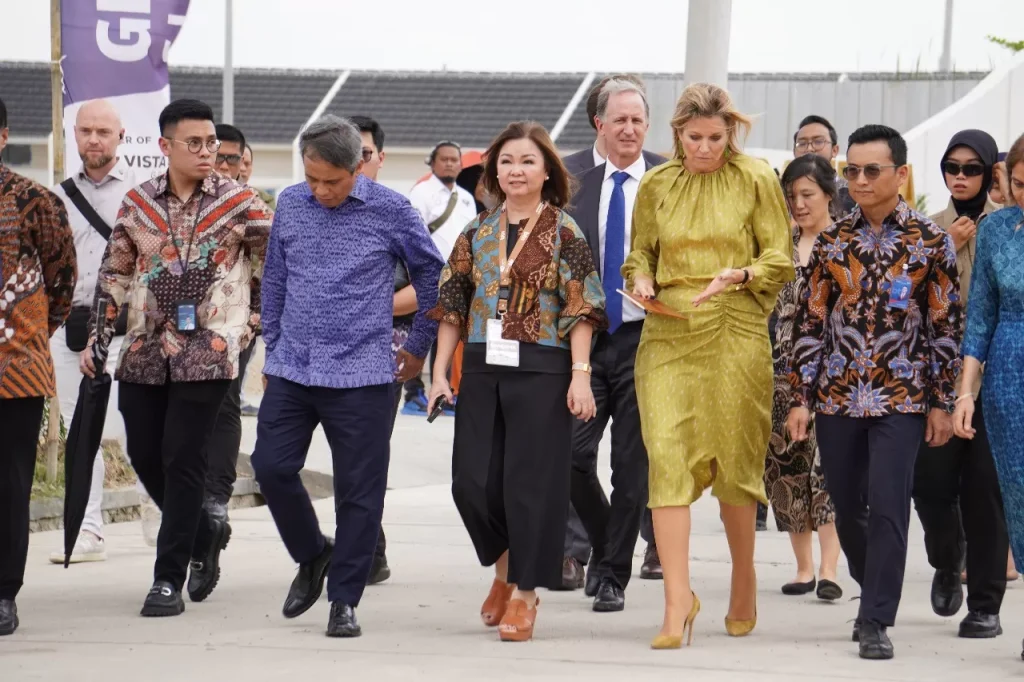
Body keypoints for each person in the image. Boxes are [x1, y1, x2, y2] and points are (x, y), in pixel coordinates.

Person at [250, 115, 442, 638]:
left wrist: (420, 348)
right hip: (294, 367)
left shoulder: (392, 210)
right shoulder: (290, 203)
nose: (320, 190)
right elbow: (277, 279)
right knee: (270, 467)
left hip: (364, 372)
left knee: (360, 491)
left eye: (331, 181)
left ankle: (344, 599)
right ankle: (313, 554)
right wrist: (273, 345)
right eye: (312, 178)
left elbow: (431, 273)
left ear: (358, 166)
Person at [81, 99, 271, 617]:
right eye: (195, 143)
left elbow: (274, 263)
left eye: (212, 143)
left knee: (184, 456)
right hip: (145, 348)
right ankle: (204, 527)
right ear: (165, 147)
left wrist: (252, 324)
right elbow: (115, 273)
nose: (207, 151)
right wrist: (98, 341)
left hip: (210, 349)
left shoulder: (241, 202)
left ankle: (168, 580)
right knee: (144, 452)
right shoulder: (138, 203)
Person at [623, 82, 794, 649]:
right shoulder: (657, 183)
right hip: (667, 329)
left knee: (735, 461)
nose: (703, 147)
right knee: (665, 460)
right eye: (694, 137)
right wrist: (641, 278)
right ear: (677, 134)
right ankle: (677, 602)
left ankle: (743, 578)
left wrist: (738, 274)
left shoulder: (756, 178)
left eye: (715, 138)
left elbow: (780, 256)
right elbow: (640, 252)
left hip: (734, 328)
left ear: (731, 132)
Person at [426, 121, 606, 642]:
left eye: (527, 161)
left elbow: (582, 310)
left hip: (543, 368)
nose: (516, 170)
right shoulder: (476, 232)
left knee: (531, 485)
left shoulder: (563, 230)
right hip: (482, 366)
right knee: (472, 482)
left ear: (546, 169)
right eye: (506, 162)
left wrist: (579, 377)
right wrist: (439, 373)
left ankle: (526, 593)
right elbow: (451, 307)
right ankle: (504, 569)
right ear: (493, 171)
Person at [787, 124, 962, 660]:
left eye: (871, 171)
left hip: (903, 397)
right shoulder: (835, 240)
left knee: (889, 505)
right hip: (838, 394)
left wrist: (940, 401)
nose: (859, 181)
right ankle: (873, 585)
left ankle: (876, 618)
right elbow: (810, 321)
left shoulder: (931, 242)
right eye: (851, 171)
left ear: (900, 175)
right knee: (846, 503)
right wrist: (801, 395)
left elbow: (946, 326)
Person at [565, 78, 661, 613]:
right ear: (599, 124)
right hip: (584, 339)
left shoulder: (669, 179)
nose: (628, 129)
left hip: (647, 340)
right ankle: (605, 545)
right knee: (570, 457)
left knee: (632, 467)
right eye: (618, 119)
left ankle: (613, 575)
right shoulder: (573, 179)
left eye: (637, 120)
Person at [914, 129, 1008, 638]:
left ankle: (985, 603)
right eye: (953, 166)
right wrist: (941, 252)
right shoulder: (928, 230)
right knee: (928, 485)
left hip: (998, 378)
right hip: (940, 380)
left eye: (973, 168)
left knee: (984, 490)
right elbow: (903, 301)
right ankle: (948, 561)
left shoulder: (1011, 228)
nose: (961, 176)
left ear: (992, 172)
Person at [48, 99, 139, 564]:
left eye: (103, 131)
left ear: (121, 136)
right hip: (70, 326)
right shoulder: (57, 195)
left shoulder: (142, 192)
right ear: (75, 134)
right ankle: (88, 531)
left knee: (134, 428)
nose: (94, 139)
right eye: (86, 131)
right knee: (78, 432)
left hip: (127, 328)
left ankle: (158, 512)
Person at [0, 96, 77, 636]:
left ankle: (4, 592)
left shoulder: (35, 202)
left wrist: (27, 338)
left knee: (8, 487)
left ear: (3, 136)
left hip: (15, 372)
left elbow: (62, 281)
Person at [953, 132, 1024, 660]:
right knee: (1017, 504)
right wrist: (965, 394)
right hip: (1006, 382)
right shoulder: (997, 229)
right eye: (1019, 184)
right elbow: (980, 320)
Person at [766, 154, 841, 601]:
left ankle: (830, 567)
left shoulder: (846, 242)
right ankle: (803, 566)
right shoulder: (778, 246)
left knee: (827, 467)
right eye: (791, 196)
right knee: (786, 465)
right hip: (778, 370)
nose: (798, 203)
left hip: (833, 372)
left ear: (829, 194)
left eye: (807, 194)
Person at [350, 113, 410, 586]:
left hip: (382, 352)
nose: (355, 163)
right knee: (343, 455)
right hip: (321, 356)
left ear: (381, 159)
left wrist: (373, 309)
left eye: (364, 155)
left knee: (368, 452)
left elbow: (430, 285)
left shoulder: (397, 211)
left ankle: (366, 550)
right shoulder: (310, 206)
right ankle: (365, 544)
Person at [202, 122, 264, 523]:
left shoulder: (252, 206)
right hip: (180, 328)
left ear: (243, 162)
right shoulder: (183, 202)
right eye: (215, 154)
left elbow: (274, 265)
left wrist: (258, 315)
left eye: (230, 157)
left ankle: (215, 501)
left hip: (236, 326)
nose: (222, 164)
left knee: (224, 405)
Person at [403, 140, 478, 415]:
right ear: (432, 163)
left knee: (447, 334)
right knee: (419, 332)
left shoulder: (467, 198)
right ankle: (413, 394)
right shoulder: (420, 193)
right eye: (443, 159)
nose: (449, 163)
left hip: (457, 279)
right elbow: (412, 236)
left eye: (453, 160)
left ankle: (444, 391)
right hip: (424, 277)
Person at [562, 74, 664, 177]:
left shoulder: (666, 173)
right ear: (600, 125)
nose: (629, 131)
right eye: (620, 120)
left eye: (636, 120)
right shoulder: (563, 172)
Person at [792, 115, 856, 219]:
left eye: (818, 142)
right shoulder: (782, 192)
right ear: (794, 151)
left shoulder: (852, 191)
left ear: (834, 150)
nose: (809, 149)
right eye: (802, 143)